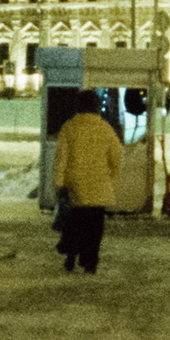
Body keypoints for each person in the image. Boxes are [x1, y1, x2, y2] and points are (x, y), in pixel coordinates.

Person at [51, 89, 122, 274]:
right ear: (96, 107)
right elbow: (117, 155)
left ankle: (71, 258)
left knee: (75, 224)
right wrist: (109, 174)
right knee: (95, 228)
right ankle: (90, 261)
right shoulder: (105, 128)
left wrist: (59, 183)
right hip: (99, 185)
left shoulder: (70, 127)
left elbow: (61, 158)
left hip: (76, 186)